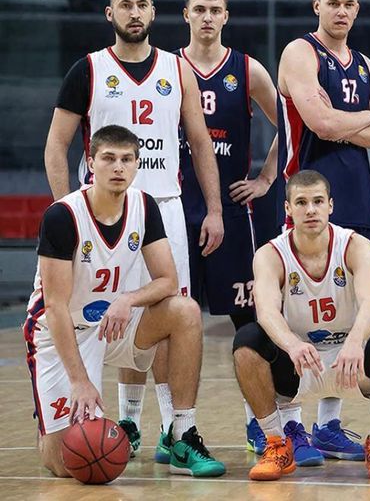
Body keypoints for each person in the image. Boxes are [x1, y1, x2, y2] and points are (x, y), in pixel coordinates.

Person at [42, 0, 224, 459]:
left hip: (163, 207)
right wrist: (68, 213)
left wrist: (214, 208)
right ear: (111, 14)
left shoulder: (177, 69)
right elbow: (56, 145)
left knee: (167, 315)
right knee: (110, 315)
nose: (135, 13)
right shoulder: (88, 69)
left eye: (142, 4)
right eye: (125, 5)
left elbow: (200, 143)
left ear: (154, 13)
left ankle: (174, 430)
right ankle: (128, 419)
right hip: (102, 213)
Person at [26, 125, 225, 478]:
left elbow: (168, 281)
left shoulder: (144, 206)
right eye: (108, 159)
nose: (118, 167)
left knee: (185, 310)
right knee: (65, 463)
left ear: (136, 164)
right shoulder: (62, 216)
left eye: (127, 159)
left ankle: (182, 434)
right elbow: (55, 308)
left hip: (114, 324)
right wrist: (79, 381)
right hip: (62, 333)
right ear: (91, 164)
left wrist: (128, 300)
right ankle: (48, 414)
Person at [276, 0, 370, 464]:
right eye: (333, 3)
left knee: (344, 314)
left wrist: (355, 122)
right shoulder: (300, 52)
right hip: (307, 197)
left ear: (357, 8)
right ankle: (290, 424)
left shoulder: (364, 63)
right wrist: (368, 117)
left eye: (349, 3)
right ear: (317, 6)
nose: (341, 11)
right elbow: (321, 124)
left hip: (356, 198)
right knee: (297, 311)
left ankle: (327, 425)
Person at [233, 170, 370, 481]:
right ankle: (277, 444)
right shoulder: (270, 254)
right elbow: (266, 312)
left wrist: (355, 341)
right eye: (301, 202)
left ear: (331, 205)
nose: (311, 210)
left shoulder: (355, 245)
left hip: (350, 364)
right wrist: (292, 344)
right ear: (288, 209)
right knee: (246, 342)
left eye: (318, 201)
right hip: (298, 364)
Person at [177, 0, 282, 456]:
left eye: (215, 9)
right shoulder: (168, 67)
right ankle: (170, 426)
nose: (207, 17)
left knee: (250, 317)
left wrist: (265, 179)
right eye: (199, 9)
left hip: (233, 212)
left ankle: (258, 421)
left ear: (226, 16)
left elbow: (292, 123)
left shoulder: (247, 68)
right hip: (176, 208)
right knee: (172, 317)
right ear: (186, 14)